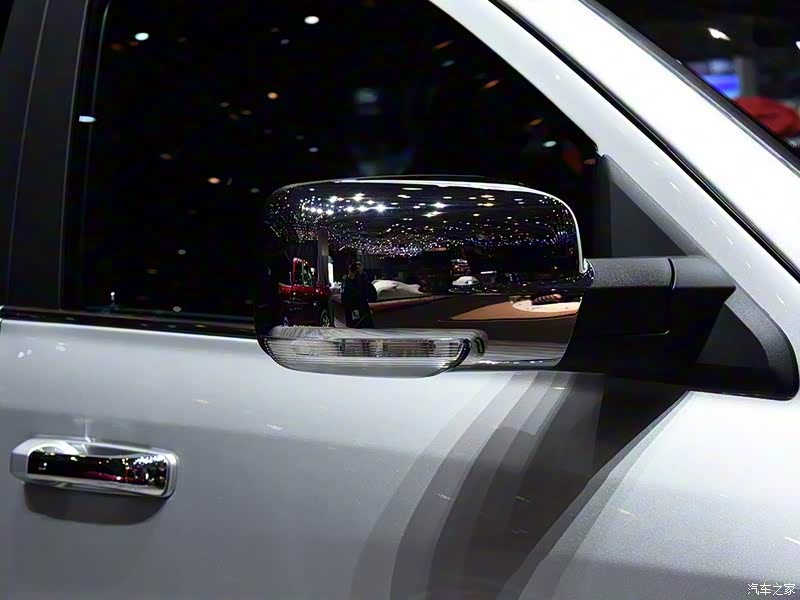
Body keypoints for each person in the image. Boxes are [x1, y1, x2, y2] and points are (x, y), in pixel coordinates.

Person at [341, 261, 377, 328]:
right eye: (354, 266)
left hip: (364, 312)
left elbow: (373, 295)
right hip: (352, 312)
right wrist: (350, 279)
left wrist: (362, 275)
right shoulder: (346, 280)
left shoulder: (363, 279)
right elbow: (344, 299)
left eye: (358, 265)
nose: (355, 268)